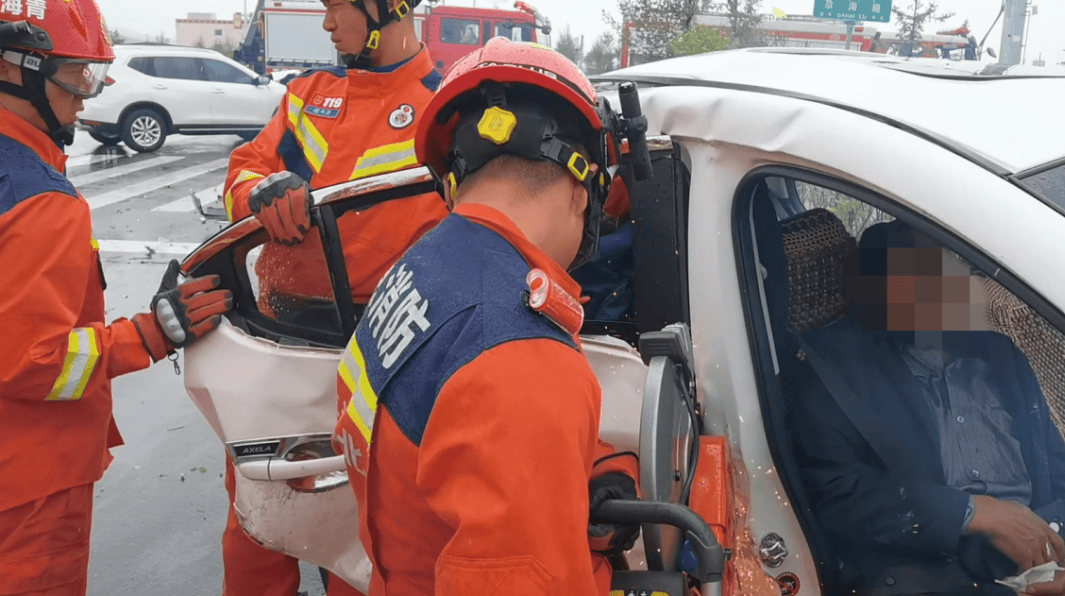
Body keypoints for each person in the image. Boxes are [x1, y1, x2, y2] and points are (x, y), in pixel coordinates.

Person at [332, 38, 640, 595]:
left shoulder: (420, 266)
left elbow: (447, 428)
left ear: (454, 177)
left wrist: (574, 469)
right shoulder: (522, 357)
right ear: (583, 185)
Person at [0, 2, 232, 594]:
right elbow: (34, 361)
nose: (86, 97)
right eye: (79, 75)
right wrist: (152, 333)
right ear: (15, 68)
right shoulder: (39, 202)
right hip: (28, 483)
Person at [219, 0, 447, 593]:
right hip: (280, 336)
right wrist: (259, 191)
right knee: (257, 522)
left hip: (383, 347)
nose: (325, 25)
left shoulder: (446, 105)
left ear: (388, 8)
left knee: (363, 530)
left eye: (336, 8)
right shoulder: (304, 96)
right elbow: (242, 171)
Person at [791, 219, 1065, 596]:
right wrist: (970, 512)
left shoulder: (1000, 356)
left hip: (1047, 560)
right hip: (942, 573)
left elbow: (1061, 479)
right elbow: (838, 494)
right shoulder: (837, 376)